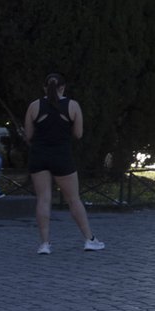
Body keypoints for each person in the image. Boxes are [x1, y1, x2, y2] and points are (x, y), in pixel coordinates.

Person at [24, 73, 105, 253]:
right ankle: (89, 239)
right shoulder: (73, 106)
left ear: (44, 87)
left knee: (43, 199)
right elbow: (78, 134)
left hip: (39, 155)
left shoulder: (34, 106)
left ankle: (44, 243)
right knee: (73, 199)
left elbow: (29, 135)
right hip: (62, 155)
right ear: (64, 87)